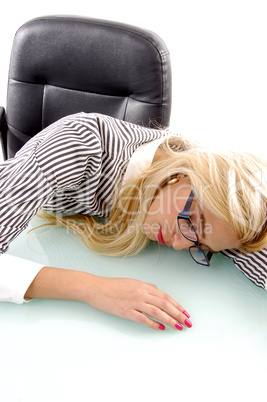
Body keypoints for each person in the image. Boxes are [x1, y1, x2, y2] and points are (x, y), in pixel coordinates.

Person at [0, 112, 266, 331]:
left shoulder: (211, 211)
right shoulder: (79, 142)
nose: (178, 245)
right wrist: (92, 288)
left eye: (201, 246)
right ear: (182, 176)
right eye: (191, 223)